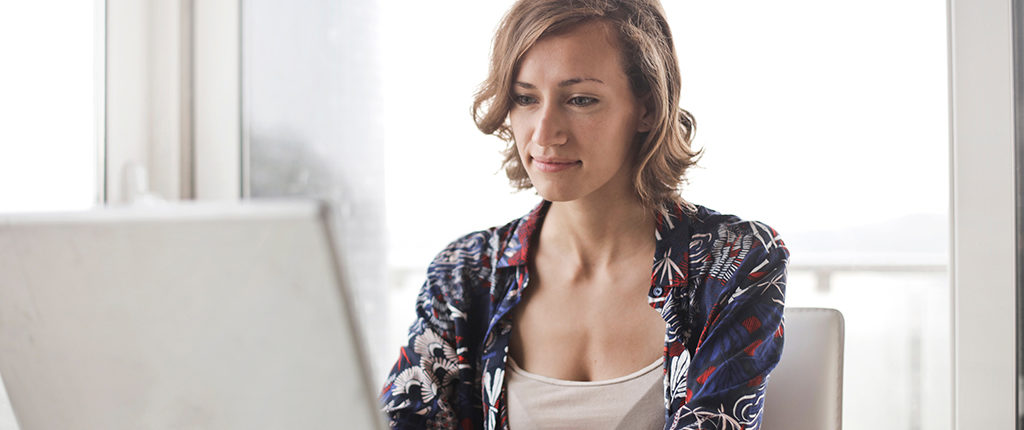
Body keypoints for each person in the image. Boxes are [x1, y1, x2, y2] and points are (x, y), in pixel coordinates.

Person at [380, 0, 788, 428]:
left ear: (646, 108)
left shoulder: (735, 261)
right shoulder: (466, 274)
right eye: (525, 98)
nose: (544, 133)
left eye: (580, 99)